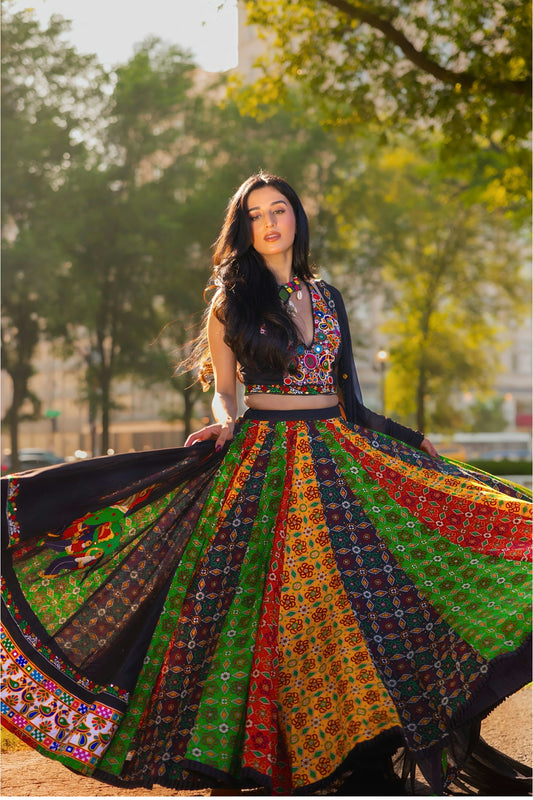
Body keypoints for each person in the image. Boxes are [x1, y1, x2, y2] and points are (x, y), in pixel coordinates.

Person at [1, 172, 531, 797]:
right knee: (269, 613)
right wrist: (222, 424)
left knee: (365, 599)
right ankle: (278, 758)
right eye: (256, 214)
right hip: (264, 460)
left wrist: (411, 442)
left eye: (280, 209)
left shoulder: (329, 298)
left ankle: (357, 748)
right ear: (244, 228)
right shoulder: (233, 298)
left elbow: (350, 400)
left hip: (339, 458)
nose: (271, 222)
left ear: (297, 219)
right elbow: (227, 390)